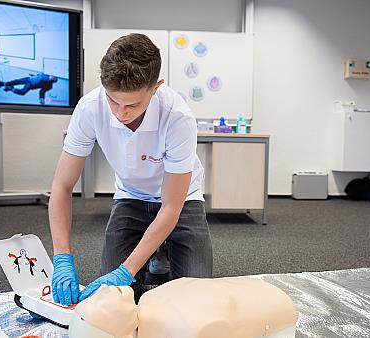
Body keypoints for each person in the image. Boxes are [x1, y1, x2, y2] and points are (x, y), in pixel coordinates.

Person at [48, 33, 212, 306]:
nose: (120, 114)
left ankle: (160, 252)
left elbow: (171, 207)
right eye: (113, 101)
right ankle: (154, 251)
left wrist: (127, 270)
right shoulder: (90, 108)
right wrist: (61, 256)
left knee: (194, 296)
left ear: (156, 87)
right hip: (131, 196)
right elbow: (61, 186)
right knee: (111, 298)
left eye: (132, 105)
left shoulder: (177, 117)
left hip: (181, 200)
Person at [68, 277, 299, 338]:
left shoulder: (150, 299)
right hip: (278, 314)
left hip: (263, 295)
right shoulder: (188, 329)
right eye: (100, 306)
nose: (101, 291)